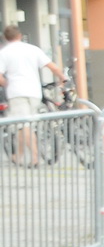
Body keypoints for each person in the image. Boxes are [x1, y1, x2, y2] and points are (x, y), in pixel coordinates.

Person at [0, 25, 68, 166]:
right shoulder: (32, 49)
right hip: (34, 92)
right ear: (19, 35)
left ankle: (35, 157)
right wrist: (62, 78)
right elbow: (53, 66)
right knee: (24, 124)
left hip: (17, 93)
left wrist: (6, 83)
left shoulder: (4, 52)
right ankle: (17, 156)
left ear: (5, 38)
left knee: (23, 125)